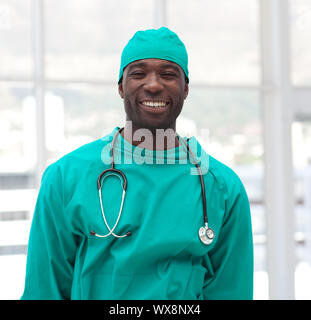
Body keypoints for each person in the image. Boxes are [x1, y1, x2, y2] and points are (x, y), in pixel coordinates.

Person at [21, 27, 253, 300]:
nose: (154, 85)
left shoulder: (222, 188)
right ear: (120, 86)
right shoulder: (66, 178)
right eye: (138, 74)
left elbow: (232, 291)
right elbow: (43, 290)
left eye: (168, 74)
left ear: (186, 88)